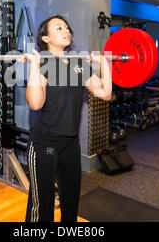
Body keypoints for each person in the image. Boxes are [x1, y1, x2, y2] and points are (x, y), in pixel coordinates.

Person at [17, 15, 112, 222]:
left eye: (67, 28)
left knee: (71, 198)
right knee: (42, 200)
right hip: (45, 144)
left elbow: (105, 93)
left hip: (70, 144)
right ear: (46, 38)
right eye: (59, 28)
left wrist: (105, 63)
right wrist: (34, 65)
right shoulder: (43, 65)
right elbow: (35, 104)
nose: (66, 31)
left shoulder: (79, 65)